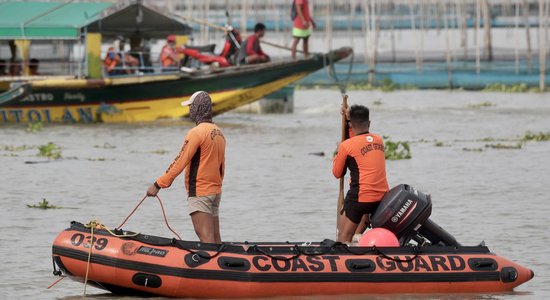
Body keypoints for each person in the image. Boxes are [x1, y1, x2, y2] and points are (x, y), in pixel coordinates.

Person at [146, 91, 226, 244]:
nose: (189, 110)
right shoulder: (219, 132)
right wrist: (217, 186)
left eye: (191, 107)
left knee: (206, 238)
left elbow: (180, 162)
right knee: (216, 239)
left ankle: (209, 267)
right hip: (215, 192)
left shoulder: (196, 133)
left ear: (198, 108)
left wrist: (158, 185)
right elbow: (222, 166)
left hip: (200, 192)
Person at [332, 104, 389, 243]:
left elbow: (337, 173)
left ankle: (344, 253)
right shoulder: (379, 140)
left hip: (360, 200)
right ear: (369, 123)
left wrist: (337, 152)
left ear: (351, 124)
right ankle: (356, 245)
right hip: (381, 199)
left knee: (342, 237)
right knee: (353, 237)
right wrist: (348, 119)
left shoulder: (346, 146)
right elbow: (359, 139)